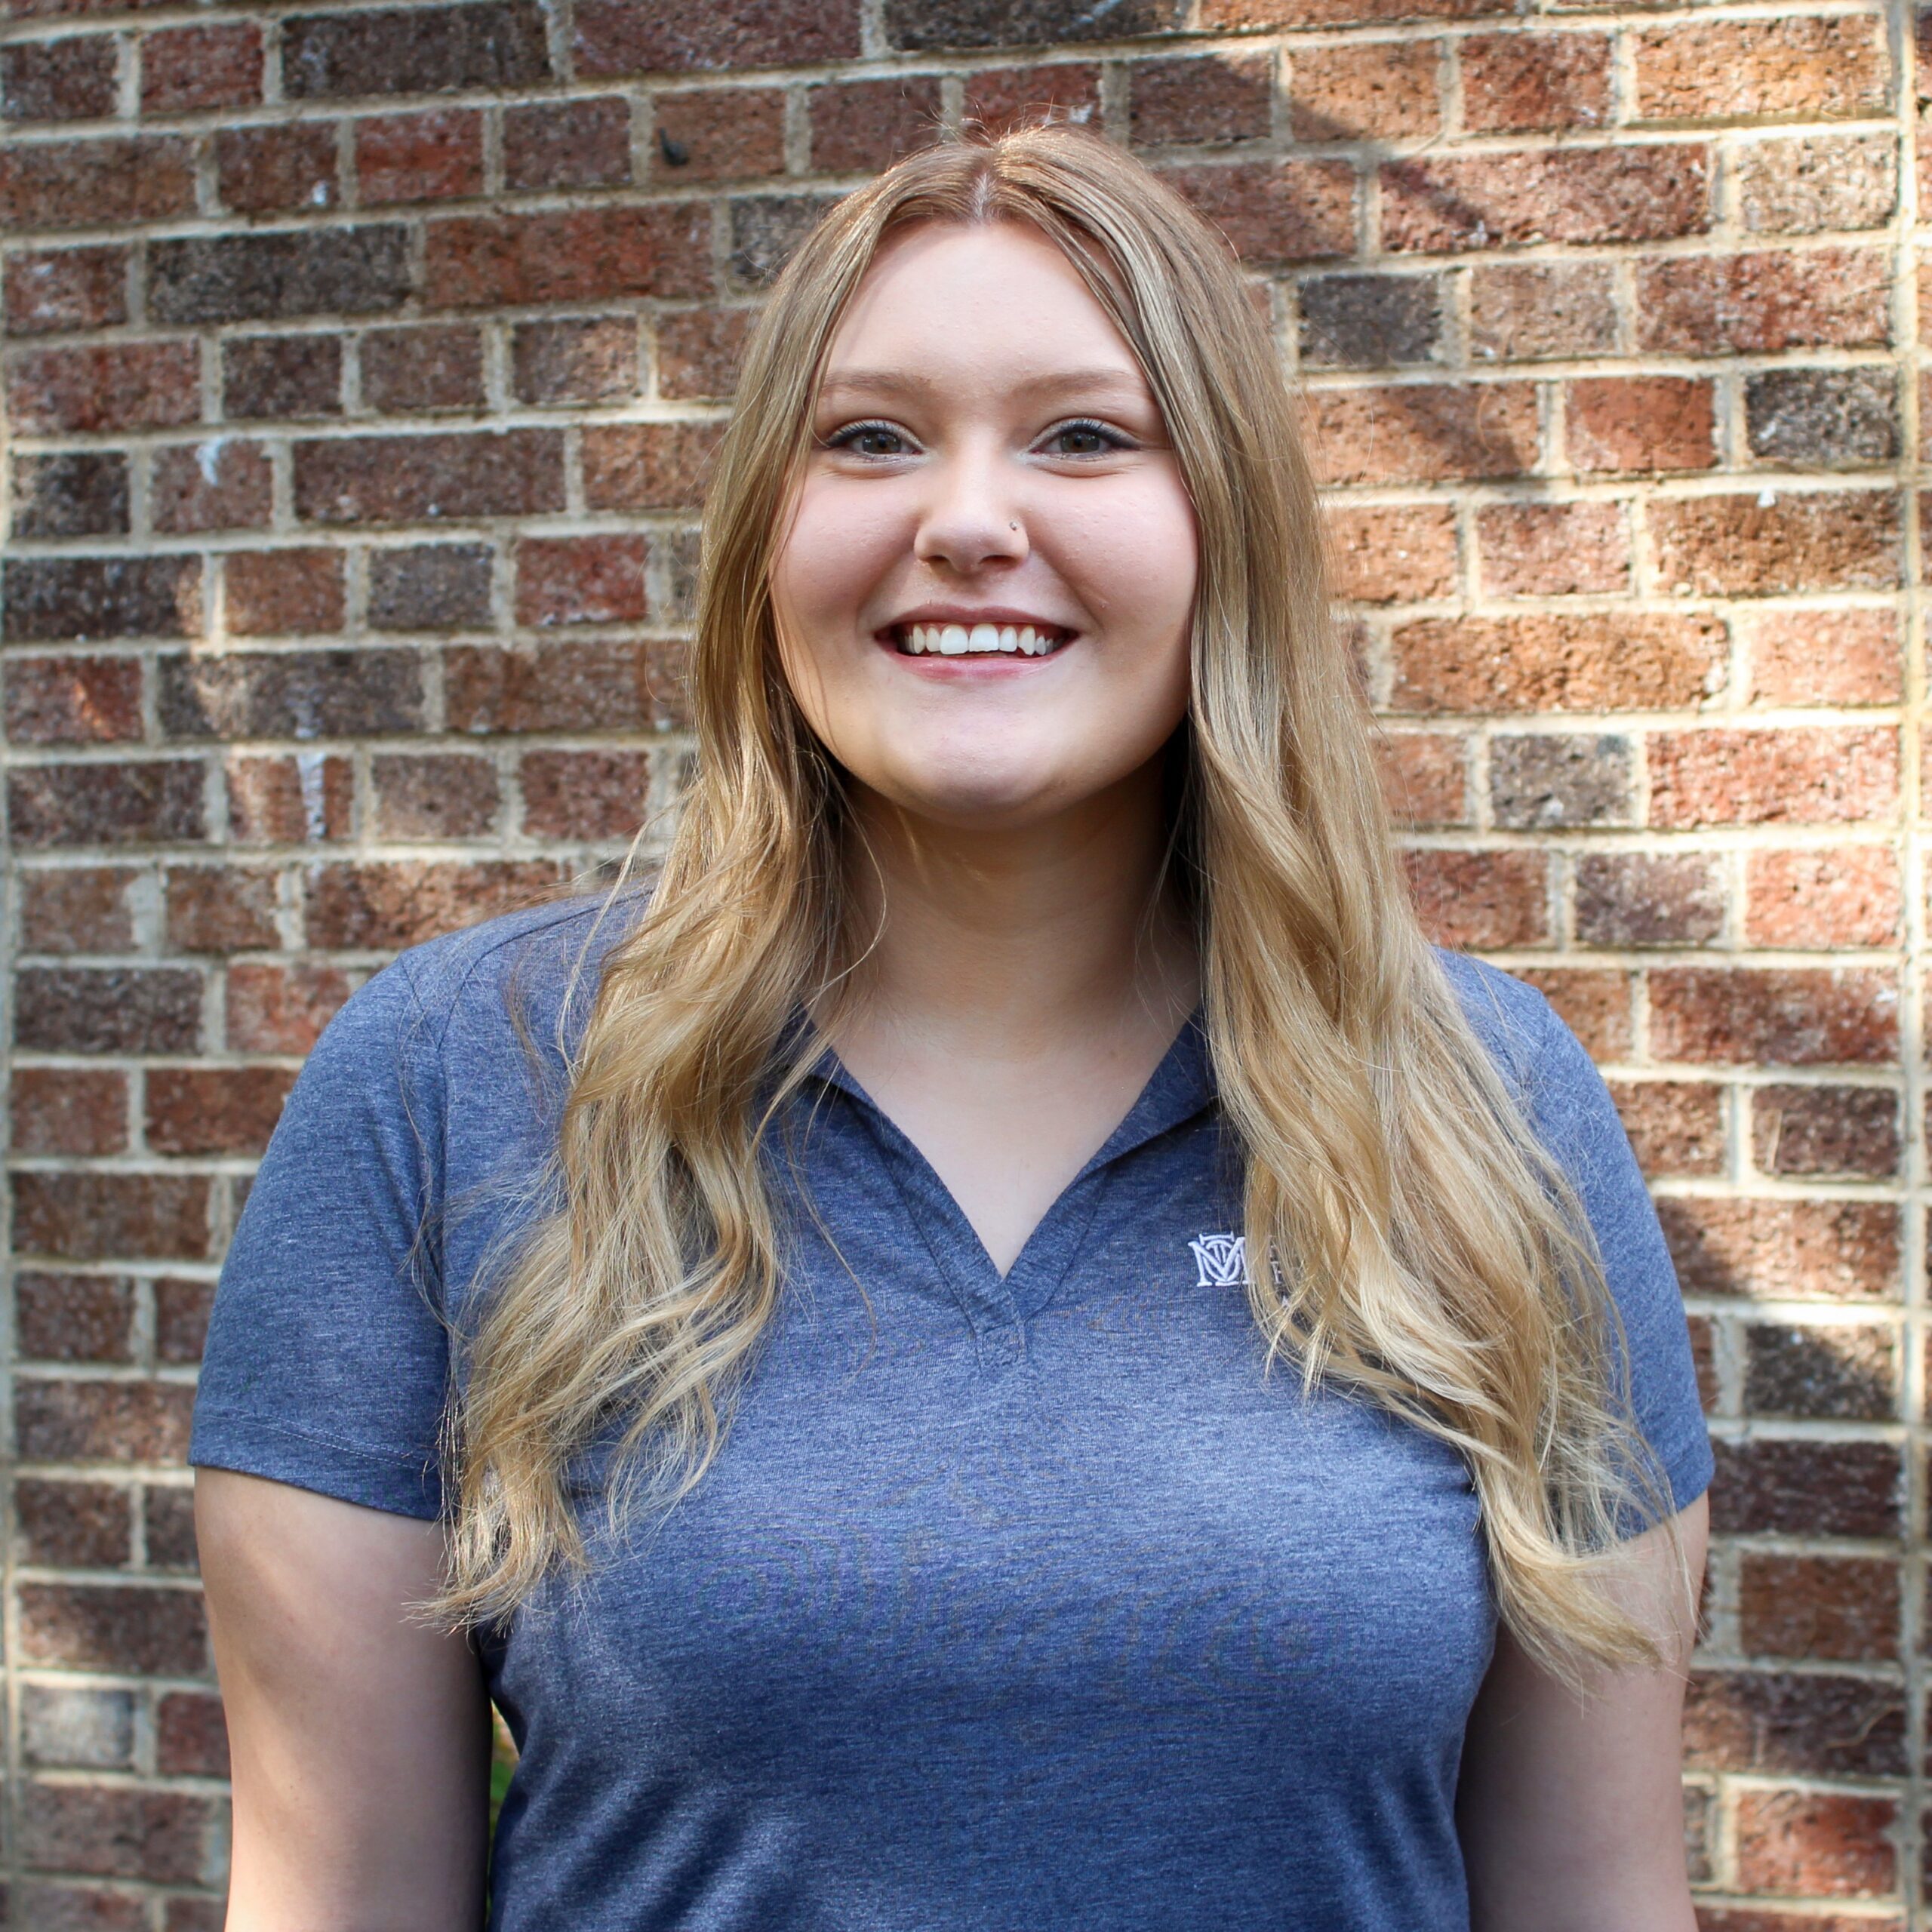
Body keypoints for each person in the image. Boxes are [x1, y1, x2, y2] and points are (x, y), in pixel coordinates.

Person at [192, 125, 1712, 1932]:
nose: (969, 518)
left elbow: (1592, 1891)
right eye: (868, 437)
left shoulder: (1486, 1101)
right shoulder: (455, 1083)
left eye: (1082, 433)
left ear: (1221, 522)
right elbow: (336, 1895)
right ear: (767, 532)